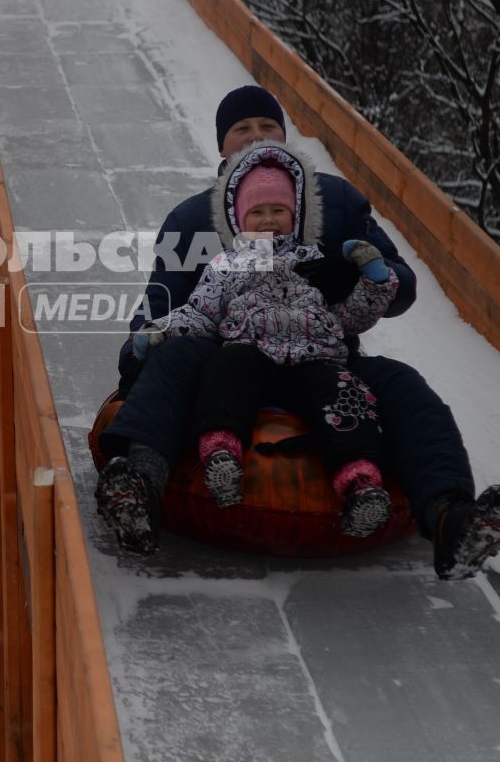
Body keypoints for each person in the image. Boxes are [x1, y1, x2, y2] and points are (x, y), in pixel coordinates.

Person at [95, 84, 500, 579]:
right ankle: (140, 487)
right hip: (230, 356)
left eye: (266, 126)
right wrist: (143, 347)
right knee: (174, 359)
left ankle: (450, 516)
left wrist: (371, 276)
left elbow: (397, 285)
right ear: (221, 147)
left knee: (402, 383)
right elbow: (168, 300)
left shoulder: (335, 201)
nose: (255, 136)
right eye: (241, 129)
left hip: (323, 357)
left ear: (284, 135)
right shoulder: (192, 221)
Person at [134, 140, 400, 538]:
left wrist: (376, 283)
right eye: (257, 212)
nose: (269, 219)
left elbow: (347, 319)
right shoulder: (227, 265)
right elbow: (202, 312)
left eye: (279, 211)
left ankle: (361, 483)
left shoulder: (312, 261)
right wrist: (162, 330)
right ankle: (221, 454)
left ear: (294, 217)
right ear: (240, 221)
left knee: (345, 393)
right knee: (227, 366)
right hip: (252, 352)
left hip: (315, 361)